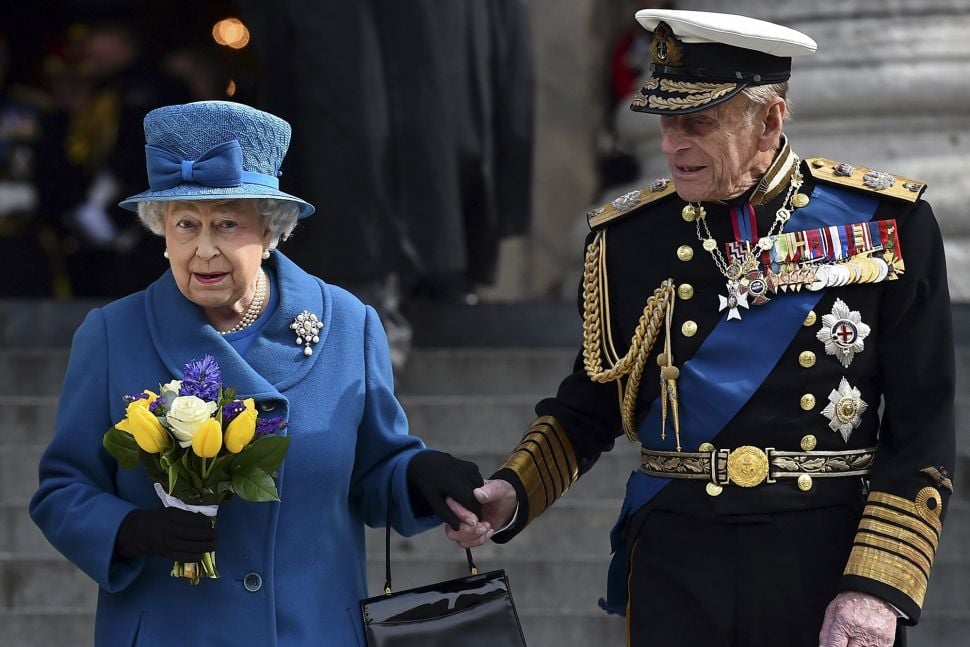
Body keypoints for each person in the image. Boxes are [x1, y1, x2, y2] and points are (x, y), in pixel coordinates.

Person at [447, 10, 955, 647]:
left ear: (769, 119)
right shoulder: (627, 239)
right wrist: (512, 490)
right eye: (664, 122)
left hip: (823, 556)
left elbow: (921, 427)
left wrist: (876, 588)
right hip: (676, 558)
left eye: (697, 123)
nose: (669, 144)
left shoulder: (887, 223)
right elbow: (591, 402)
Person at [29, 100, 484, 646]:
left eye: (226, 224)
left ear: (270, 230)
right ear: (161, 231)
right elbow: (62, 489)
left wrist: (417, 476)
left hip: (312, 630)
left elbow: (375, 471)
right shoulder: (112, 334)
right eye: (185, 225)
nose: (203, 249)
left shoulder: (348, 325)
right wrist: (130, 530)